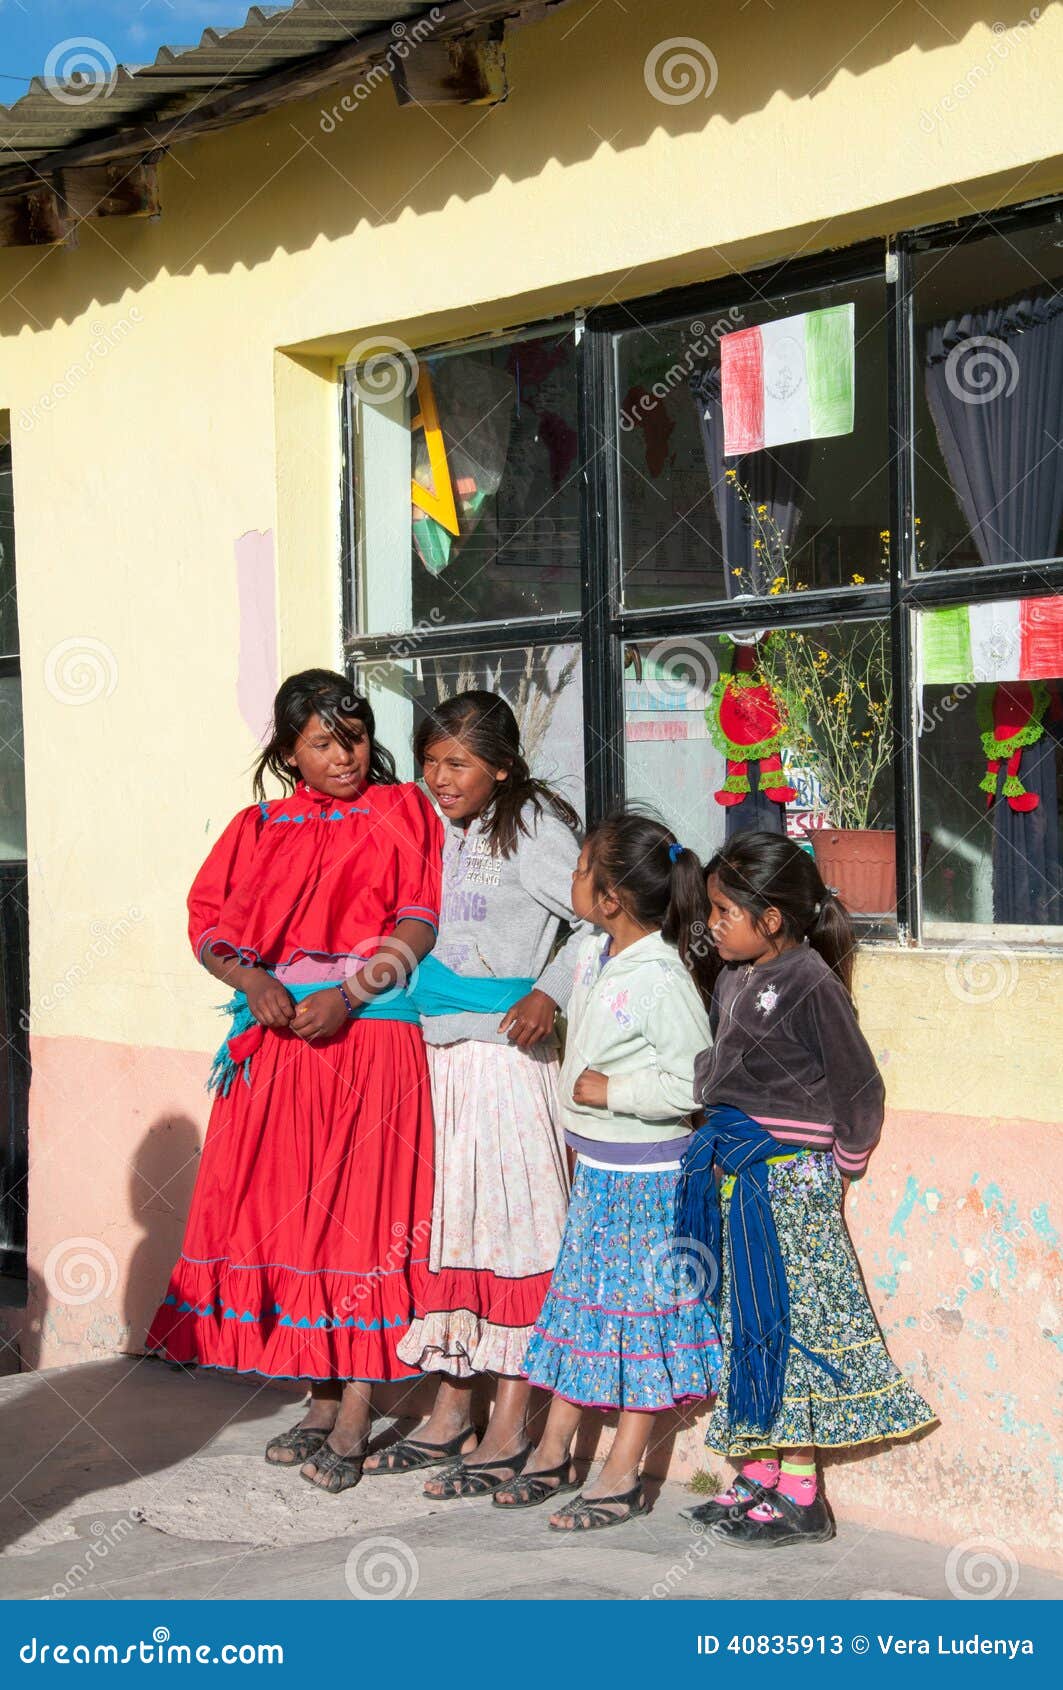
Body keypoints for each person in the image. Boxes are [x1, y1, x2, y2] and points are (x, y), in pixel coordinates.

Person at [147, 669, 442, 1495]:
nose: (344, 756)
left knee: (362, 1216)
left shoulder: (401, 810)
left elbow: (418, 917)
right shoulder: (256, 827)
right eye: (322, 744)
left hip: (367, 1034)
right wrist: (252, 984)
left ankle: (358, 1404)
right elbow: (206, 926)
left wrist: (351, 994)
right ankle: (315, 1393)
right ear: (288, 753)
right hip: (278, 1040)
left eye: (353, 738)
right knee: (295, 1219)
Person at [680, 830, 937, 1547]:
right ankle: (757, 1473)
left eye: (724, 912)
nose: (712, 925)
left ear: (772, 918)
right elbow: (724, 1067)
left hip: (787, 1183)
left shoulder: (808, 981)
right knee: (745, 1324)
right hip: (736, 1173)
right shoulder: (732, 975)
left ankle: (801, 1491)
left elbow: (857, 1084)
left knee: (787, 1331)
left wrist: (841, 1166)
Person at [363, 691, 587, 1498]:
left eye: (457, 763)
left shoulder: (530, 828)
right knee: (453, 1231)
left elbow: (600, 917)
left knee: (514, 1235)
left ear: (500, 765)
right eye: (429, 761)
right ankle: (452, 1411)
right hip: (442, 1061)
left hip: (505, 1064)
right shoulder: (434, 827)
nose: (440, 776)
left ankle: (510, 1424)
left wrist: (550, 993)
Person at [495, 813, 723, 1531]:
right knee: (584, 1313)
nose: (571, 879)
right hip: (599, 1175)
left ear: (612, 896)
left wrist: (613, 1093)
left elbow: (695, 1085)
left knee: (640, 1321)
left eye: (582, 866)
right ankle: (555, 1451)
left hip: (649, 1182)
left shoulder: (660, 978)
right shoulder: (596, 952)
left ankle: (622, 1473)